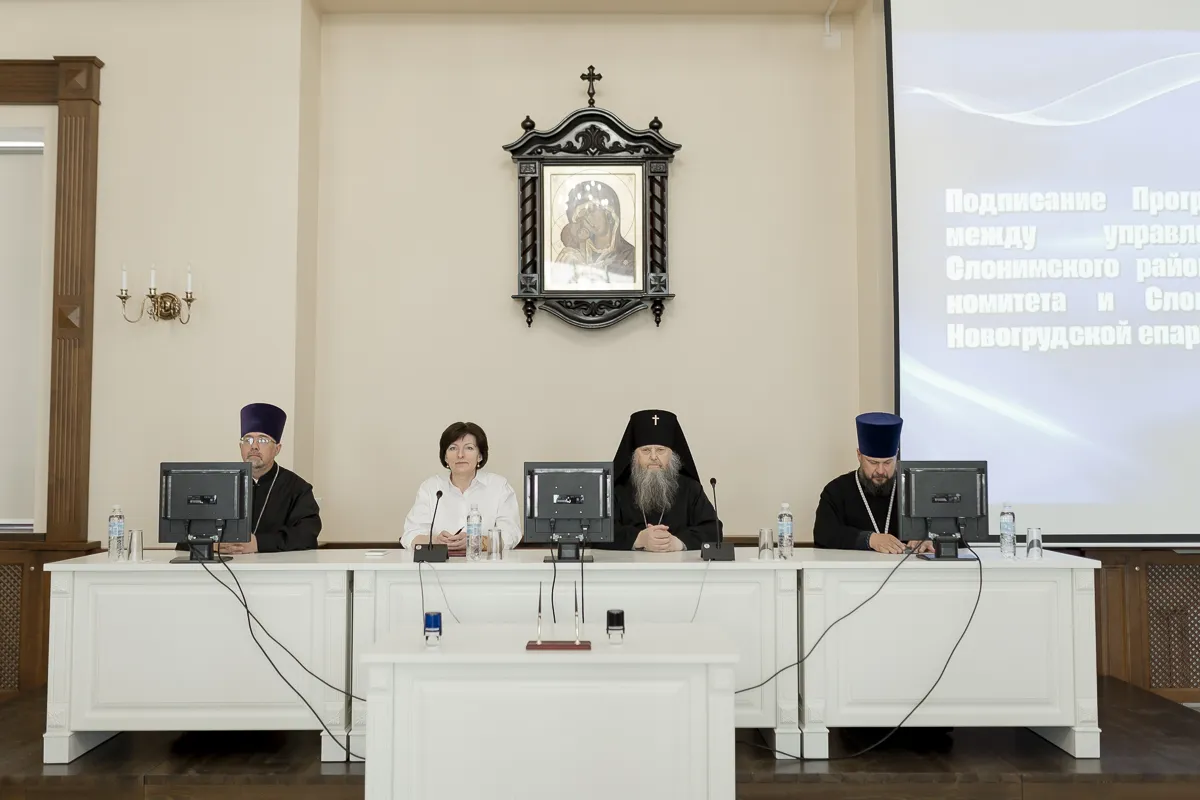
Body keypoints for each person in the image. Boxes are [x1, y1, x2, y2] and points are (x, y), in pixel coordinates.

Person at [178, 402, 322, 554]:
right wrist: (210, 545)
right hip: (224, 566)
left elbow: (307, 536)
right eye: (248, 440)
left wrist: (259, 543)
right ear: (240, 447)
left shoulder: (298, 489)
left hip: (275, 568)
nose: (254, 446)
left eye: (263, 440)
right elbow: (181, 536)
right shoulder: (216, 485)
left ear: (277, 449)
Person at [594, 409, 720, 552]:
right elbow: (597, 531)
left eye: (660, 450)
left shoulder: (690, 488)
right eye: (646, 450)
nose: (653, 457)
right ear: (634, 456)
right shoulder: (617, 488)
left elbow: (713, 530)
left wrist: (678, 542)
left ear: (672, 455)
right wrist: (638, 539)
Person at [812, 412, 932, 554]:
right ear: (859, 455)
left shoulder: (913, 489)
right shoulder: (836, 490)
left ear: (896, 455)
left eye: (887, 462)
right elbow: (823, 534)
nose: (880, 471)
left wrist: (927, 538)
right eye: (873, 462)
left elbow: (941, 528)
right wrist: (869, 539)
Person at [401, 421, 522, 552]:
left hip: (484, 563)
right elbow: (410, 535)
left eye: (469, 448)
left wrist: (477, 541)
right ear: (445, 457)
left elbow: (511, 535)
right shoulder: (431, 487)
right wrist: (435, 541)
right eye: (453, 448)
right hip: (439, 563)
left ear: (480, 456)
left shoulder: (499, 486)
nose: (460, 455)